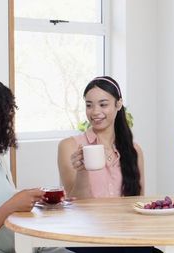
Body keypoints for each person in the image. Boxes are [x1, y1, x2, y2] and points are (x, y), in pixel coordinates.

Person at [57, 76, 159, 253]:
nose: (95, 112)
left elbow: (138, 202)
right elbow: (76, 205)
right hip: (85, 236)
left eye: (103, 104)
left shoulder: (134, 150)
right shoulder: (69, 146)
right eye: (89, 105)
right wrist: (82, 171)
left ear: (118, 105)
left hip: (126, 236)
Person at [0, 80, 71, 253]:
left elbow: (3, 200)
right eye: (8, 113)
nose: (11, 121)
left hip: (28, 244)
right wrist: (12, 205)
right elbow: (6, 207)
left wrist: (31, 199)